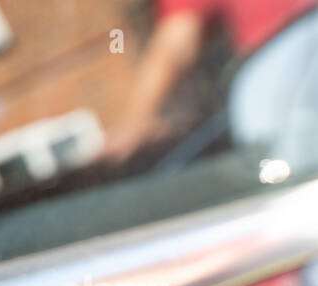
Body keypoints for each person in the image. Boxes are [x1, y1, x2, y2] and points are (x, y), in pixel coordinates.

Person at [102, 0, 318, 165]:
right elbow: (178, 39)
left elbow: (178, 38)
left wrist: (135, 123)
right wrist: (135, 123)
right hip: (281, 71)